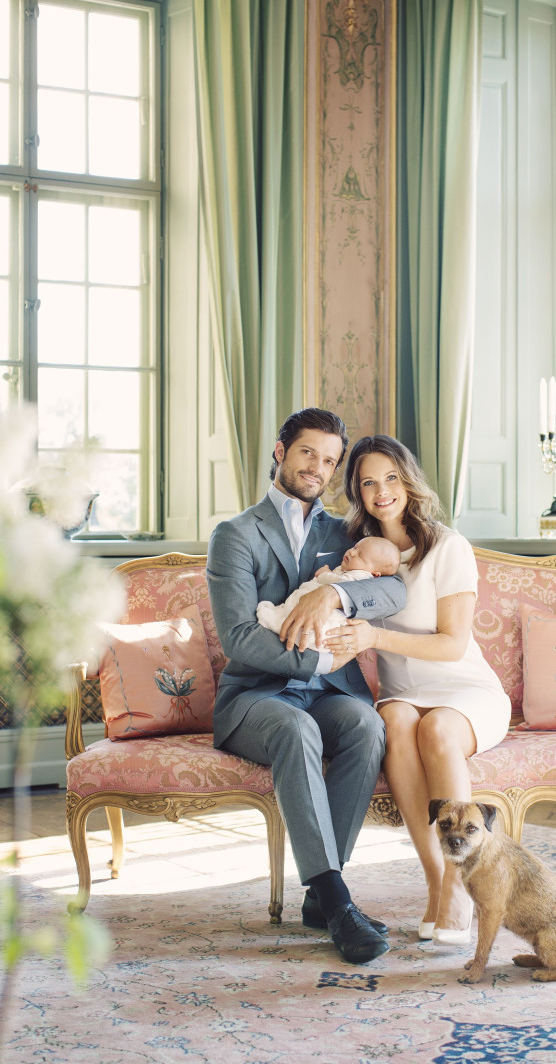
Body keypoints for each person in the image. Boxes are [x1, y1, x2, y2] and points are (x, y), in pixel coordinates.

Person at [206, 409, 406, 965]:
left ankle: (320, 898)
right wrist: (317, 662)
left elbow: (393, 594)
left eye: (329, 460)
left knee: (367, 725)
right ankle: (339, 901)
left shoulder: (345, 533)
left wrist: (335, 597)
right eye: (307, 454)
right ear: (280, 451)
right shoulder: (236, 535)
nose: (318, 468)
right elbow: (240, 637)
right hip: (257, 698)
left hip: (329, 698)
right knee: (294, 728)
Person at [325, 434, 512, 945]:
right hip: (402, 695)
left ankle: (459, 881)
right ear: (358, 493)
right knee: (397, 720)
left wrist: (376, 635)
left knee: (438, 729)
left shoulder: (447, 546)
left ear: (408, 481)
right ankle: (435, 880)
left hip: (466, 691)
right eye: (367, 482)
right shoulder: (363, 557)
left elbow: (453, 644)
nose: (381, 490)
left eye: (390, 478)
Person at [256, 536, 401, 649]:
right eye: (355, 547)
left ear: (374, 574)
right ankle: (279, 618)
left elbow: (341, 584)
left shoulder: (361, 576)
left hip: (326, 624)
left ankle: (275, 622)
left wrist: (325, 573)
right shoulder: (353, 568)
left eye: (360, 556)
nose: (352, 552)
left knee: (295, 623)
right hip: (314, 617)